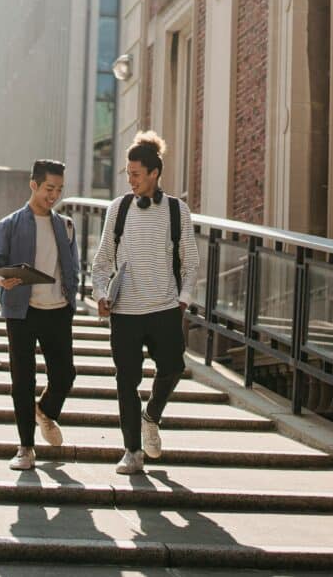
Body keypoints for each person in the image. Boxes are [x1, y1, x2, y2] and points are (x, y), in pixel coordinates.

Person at [91, 131, 199, 474]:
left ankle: (151, 415)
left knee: (174, 367)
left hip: (165, 309)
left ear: (154, 173)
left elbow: (190, 260)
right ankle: (132, 451)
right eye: (128, 174)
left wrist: (183, 300)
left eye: (136, 174)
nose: (131, 180)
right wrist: (100, 293)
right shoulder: (118, 209)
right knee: (126, 380)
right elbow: (102, 260)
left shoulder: (177, 211)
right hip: (126, 313)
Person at [0, 159, 80, 470]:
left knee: (65, 375)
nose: (54, 195)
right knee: (22, 381)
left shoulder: (65, 225)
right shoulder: (10, 225)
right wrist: (1, 279)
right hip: (21, 311)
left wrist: (71, 300)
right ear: (34, 185)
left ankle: (45, 411)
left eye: (59, 190)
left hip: (57, 311)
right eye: (49, 188)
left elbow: (73, 268)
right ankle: (26, 447)